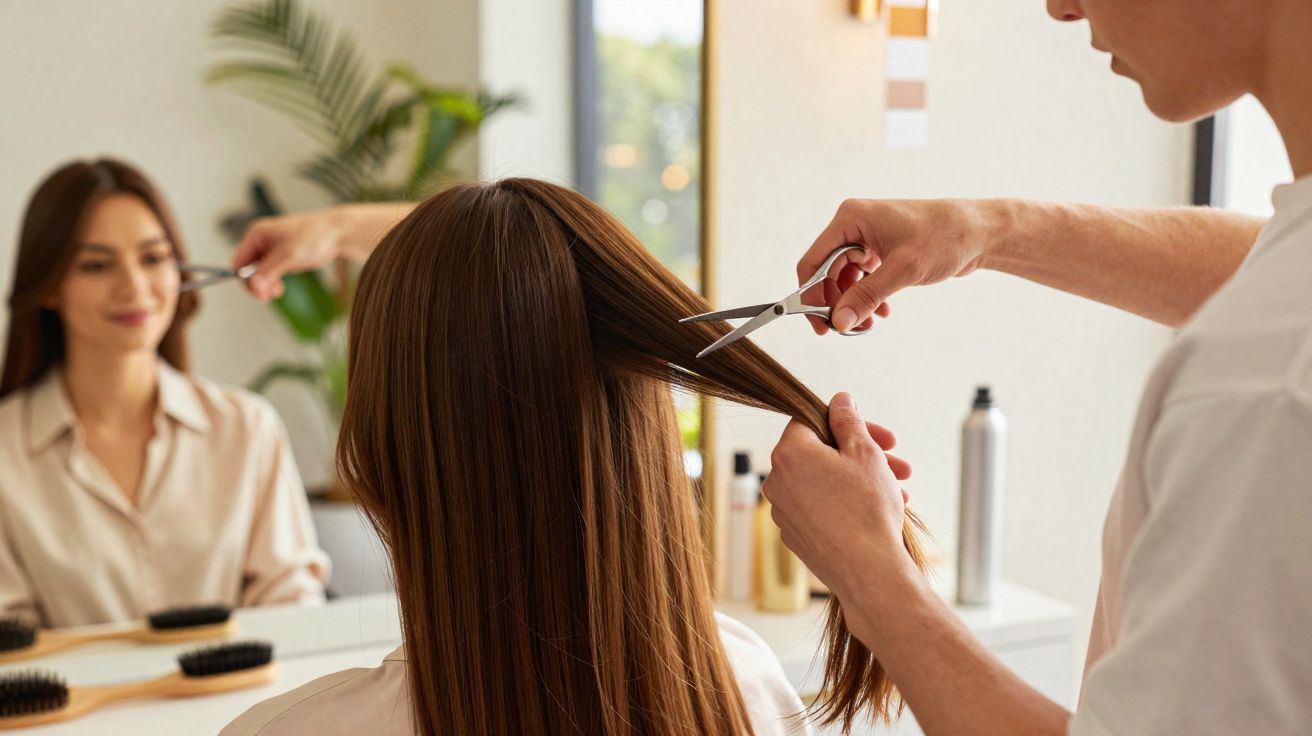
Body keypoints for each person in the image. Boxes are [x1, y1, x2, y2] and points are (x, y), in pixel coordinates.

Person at [763, 0, 1312, 734]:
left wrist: (870, 573)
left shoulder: (1265, 388)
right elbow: (1274, 263)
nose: (1058, 6)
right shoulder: (1279, 328)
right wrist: (985, 231)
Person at [220, 178, 905, 735]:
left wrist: (347, 231)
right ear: (646, 443)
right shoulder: (744, 686)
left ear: (374, 460)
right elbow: (528, 265)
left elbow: (509, 270)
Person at [0, 158, 328, 628]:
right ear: (49, 287)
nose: (134, 287)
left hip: (248, 701)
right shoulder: (7, 453)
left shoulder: (245, 428)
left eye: (153, 258)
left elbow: (291, 603)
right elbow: (12, 647)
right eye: (96, 265)